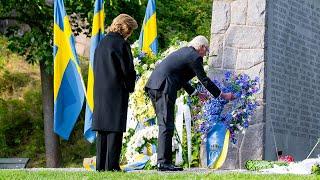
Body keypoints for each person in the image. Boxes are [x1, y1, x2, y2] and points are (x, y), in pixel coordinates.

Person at [145, 36, 235, 171]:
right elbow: (203, 79)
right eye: (207, 50)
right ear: (202, 47)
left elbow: (180, 78)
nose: (206, 54)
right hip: (163, 87)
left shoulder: (185, 52)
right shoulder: (194, 56)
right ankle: (163, 163)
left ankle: (164, 162)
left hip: (156, 85)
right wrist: (222, 95)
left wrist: (196, 93)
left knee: (165, 123)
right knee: (166, 124)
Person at [92, 14, 138, 171]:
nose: (129, 34)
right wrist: (131, 85)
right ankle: (111, 166)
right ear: (125, 27)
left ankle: (100, 166)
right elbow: (128, 70)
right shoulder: (121, 44)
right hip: (116, 89)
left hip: (100, 90)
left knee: (103, 129)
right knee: (115, 128)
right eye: (130, 30)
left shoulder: (101, 43)